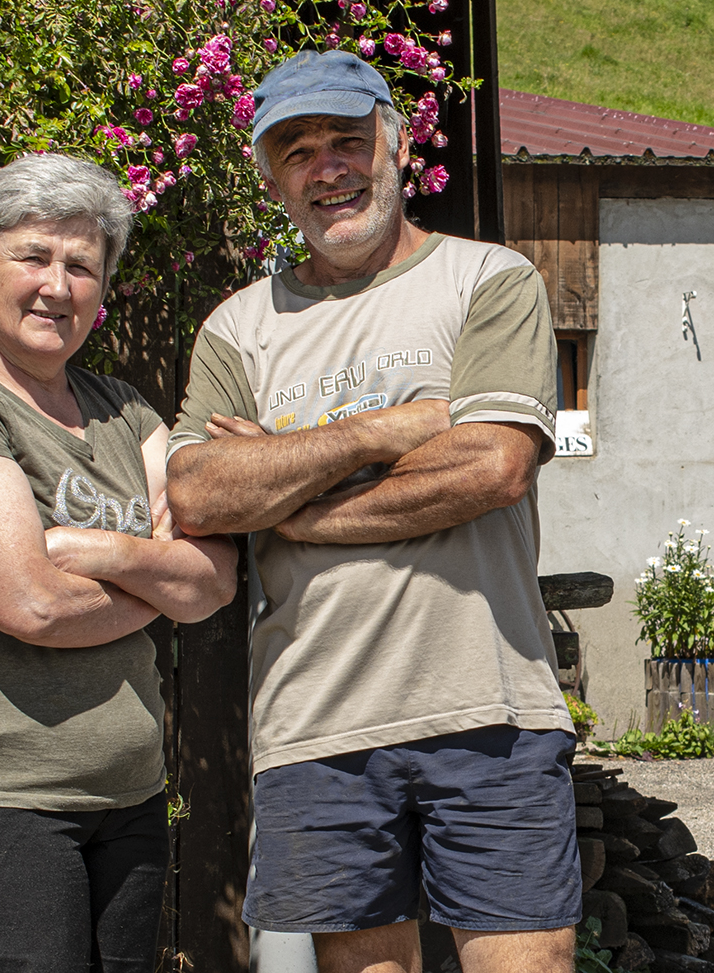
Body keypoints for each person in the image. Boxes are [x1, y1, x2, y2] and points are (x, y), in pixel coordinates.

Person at [166, 50, 580, 973]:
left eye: (348, 140)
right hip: (317, 724)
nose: (329, 167)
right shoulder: (239, 328)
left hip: (490, 705)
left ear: (395, 145)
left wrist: (285, 499)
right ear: (273, 179)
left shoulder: (488, 281)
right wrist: (380, 432)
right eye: (299, 151)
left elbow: (492, 466)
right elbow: (198, 492)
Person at [0, 153, 238, 973]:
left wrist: (102, 552)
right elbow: (31, 603)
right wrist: (158, 576)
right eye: (33, 256)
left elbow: (215, 581)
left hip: (128, 800)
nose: (58, 284)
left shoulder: (124, 410)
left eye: (82, 265)